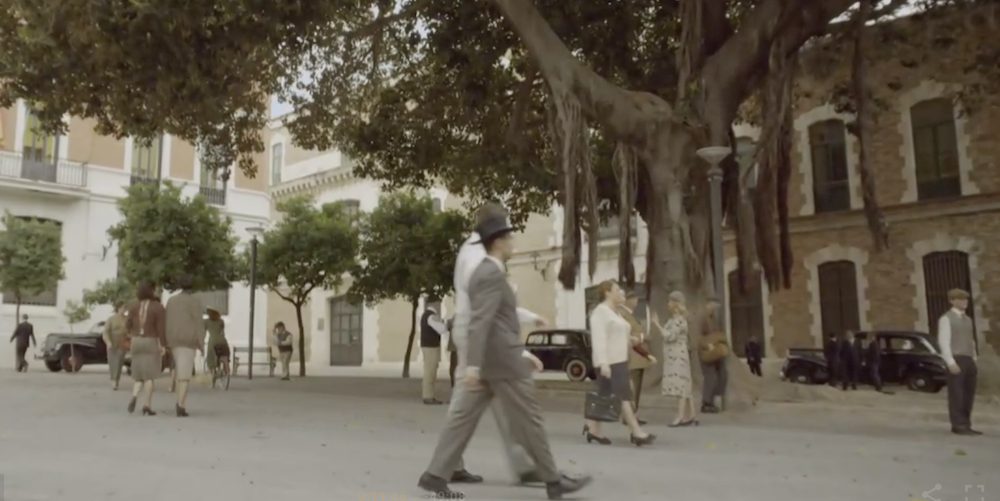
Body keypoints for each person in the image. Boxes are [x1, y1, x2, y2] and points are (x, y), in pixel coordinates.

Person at [418, 204, 592, 500]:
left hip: (487, 357)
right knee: (530, 419)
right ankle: (551, 480)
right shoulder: (484, 267)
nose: (513, 241)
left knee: (462, 417)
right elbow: (481, 318)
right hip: (500, 360)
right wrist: (478, 363)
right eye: (509, 235)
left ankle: (435, 475)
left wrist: (522, 321)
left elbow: (492, 312)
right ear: (496, 239)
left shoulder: (482, 263)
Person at [445, 210, 550, 488]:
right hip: (478, 332)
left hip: (474, 330)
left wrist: (527, 317)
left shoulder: (473, 250)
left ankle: (524, 464)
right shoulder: (478, 256)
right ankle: (448, 466)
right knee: (466, 404)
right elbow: (484, 310)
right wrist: (519, 352)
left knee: (498, 401)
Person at [583, 279, 655, 446]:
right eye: (618, 290)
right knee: (624, 396)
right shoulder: (600, 313)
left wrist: (633, 340)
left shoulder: (616, 313)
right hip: (610, 361)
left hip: (620, 359)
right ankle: (636, 432)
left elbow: (617, 334)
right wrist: (603, 363)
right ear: (608, 293)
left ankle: (593, 429)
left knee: (604, 395)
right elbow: (599, 339)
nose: (622, 293)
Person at [938, 288, 981, 435]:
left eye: (965, 299)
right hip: (956, 358)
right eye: (960, 299)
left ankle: (966, 423)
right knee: (957, 393)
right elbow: (944, 341)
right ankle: (958, 424)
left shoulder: (968, 320)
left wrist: (974, 358)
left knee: (968, 393)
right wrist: (950, 361)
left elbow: (971, 340)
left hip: (968, 358)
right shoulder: (946, 318)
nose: (964, 302)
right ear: (952, 301)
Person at [652, 291, 696, 427]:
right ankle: (692, 414)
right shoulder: (674, 319)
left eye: (671, 302)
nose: (668, 304)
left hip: (678, 355)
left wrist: (657, 324)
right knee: (684, 383)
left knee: (680, 385)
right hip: (673, 354)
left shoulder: (679, 320)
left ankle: (680, 416)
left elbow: (670, 336)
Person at [164, 276, 205, 417]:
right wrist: (201, 343)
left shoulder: (171, 301)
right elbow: (199, 324)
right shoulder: (194, 303)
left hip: (173, 340)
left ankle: (179, 400)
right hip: (187, 341)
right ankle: (180, 404)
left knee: (178, 371)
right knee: (185, 375)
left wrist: (166, 340)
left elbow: (166, 320)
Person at [126, 280, 166, 415]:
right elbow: (161, 328)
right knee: (149, 376)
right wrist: (163, 345)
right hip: (151, 340)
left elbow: (128, 324)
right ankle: (147, 405)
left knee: (139, 375)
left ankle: (134, 395)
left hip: (136, 341)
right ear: (152, 291)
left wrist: (131, 334)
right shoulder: (158, 307)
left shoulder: (133, 306)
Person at [619, 290, 652, 424]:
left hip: (638, 356)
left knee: (636, 387)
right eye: (634, 298)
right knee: (632, 386)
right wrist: (644, 337)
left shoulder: (630, 314)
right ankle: (629, 415)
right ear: (629, 299)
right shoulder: (623, 314)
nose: (637, 301)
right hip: (632, 355)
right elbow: (626, 333)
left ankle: (632, 414)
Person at [699, 297, 728, 413]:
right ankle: (706, 403)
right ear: (709, 304)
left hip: (716, 349)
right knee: (710, 377)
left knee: (722, 375)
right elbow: (699, 335)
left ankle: (713, 400)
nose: (715, 308)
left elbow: (719, 332)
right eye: (714, 305)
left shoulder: (715, 318)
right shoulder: (702, 318)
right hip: (706, 351)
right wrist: (707, 345)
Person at [420, 299, 447, 405]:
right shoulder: (431, 316)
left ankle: (428, 395)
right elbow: (441, 329)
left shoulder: (425, 315)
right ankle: (428, 396)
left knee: (429, 370)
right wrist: (448, 324)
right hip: (431, 347)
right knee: (430, 372)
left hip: (427, 346)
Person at [102, 303, 129, 389]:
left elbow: (130, 330)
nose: (124, 310)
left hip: (122, 341)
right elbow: (106, 332)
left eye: (125, 308)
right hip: (112, 341)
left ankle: (117, 379)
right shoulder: (111, 319)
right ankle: (113, 379)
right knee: (112, 362)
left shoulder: (127, 319)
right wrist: (108, 342)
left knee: (119, 362)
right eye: (122, 308)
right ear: (118, 308)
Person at [205, 308, 231, 378]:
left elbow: (203, 332)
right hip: (222, 340)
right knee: (224, 353)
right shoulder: (221, 321)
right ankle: (225, 363)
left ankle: (212, 369)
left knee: (211, 355)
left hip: (213, 340)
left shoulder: (206, 321)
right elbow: (222, 332)